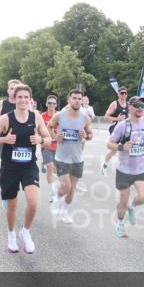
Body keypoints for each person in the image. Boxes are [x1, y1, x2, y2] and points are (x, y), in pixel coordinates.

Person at [0, 84, 53, 254]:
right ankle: (11, 235)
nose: (23, 100)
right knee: (12, 205)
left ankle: (25, 231)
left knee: (33, 202)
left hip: (29, 166)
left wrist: (39, 139)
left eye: (26, 97)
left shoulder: (36, 118)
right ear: (14, 99)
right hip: (10, 167)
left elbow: (48, 139)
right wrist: (4, 140)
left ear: (30, 100)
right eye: (20, 97)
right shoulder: (5, 119)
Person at [107, 95, 144, 238]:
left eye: (143, 106)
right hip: (124, 170)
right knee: (123, 199)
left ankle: (132, 206)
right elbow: (109, 144)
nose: (141, 108)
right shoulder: (122, 125)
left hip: (141, 168)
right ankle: (121, 224)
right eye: (138, 105)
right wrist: (122, 146)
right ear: (130, 107)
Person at [47, 89, 93, 223]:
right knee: (66, 186)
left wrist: (86, 136)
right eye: (74, 98)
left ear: (82, 101)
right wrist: (55, 137)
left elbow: (90, 134)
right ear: (69, 100)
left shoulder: (85, 118)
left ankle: (65, 211)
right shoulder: (60, 115)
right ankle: (56, 199)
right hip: (62, 157)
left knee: (72, 188)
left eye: (79, 98)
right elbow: (49, 126)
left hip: (77, 158)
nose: (77, 101)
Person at [100, 87, 129, 175]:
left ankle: (124, 167)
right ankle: (105, 163)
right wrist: (118, 119)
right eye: (122, 93)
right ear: (118, 94)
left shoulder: (128, 105)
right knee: (116, 149)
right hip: (115, 128)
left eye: (125, 93)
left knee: (125, 148)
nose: (123, 95)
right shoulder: (114, 104)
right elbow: (106, 117)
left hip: (125, 129)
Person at [40, 95, 60, 203]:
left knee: (56, 170)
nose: (52, 105)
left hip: (58, 147)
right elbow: (38, 129)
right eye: (50, 103)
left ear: (56, 105)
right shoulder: (42, 116)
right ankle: (52, 192)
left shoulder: (59, 115)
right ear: (46, 104)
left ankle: (54, 188)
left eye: (54, 103)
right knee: (50, 167)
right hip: (46, 146)